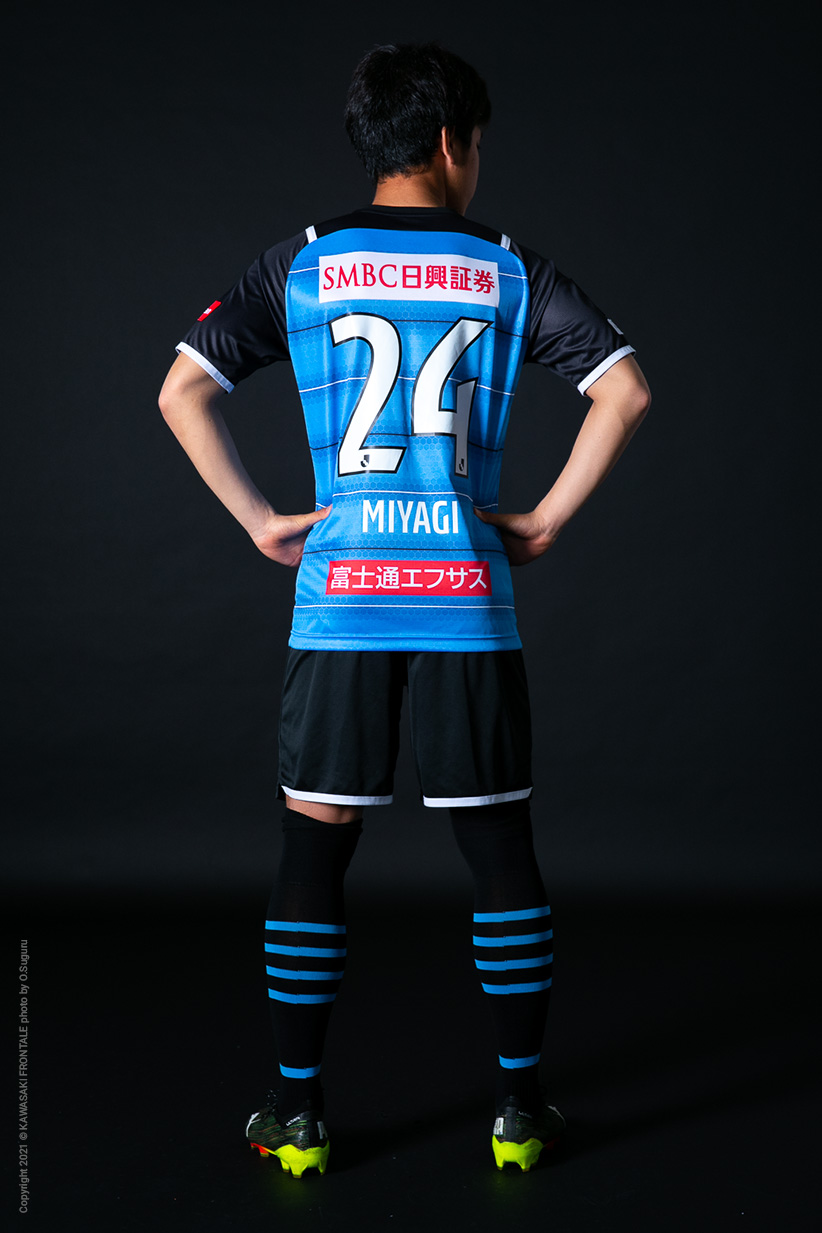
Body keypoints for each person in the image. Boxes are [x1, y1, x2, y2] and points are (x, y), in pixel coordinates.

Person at [159, 42, 650, 1178]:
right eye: (477, 146)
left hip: (340, 600)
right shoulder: (507, 267)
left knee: (314, 847)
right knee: (500, 849)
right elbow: (624, 387)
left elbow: (181, 389)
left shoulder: (304, 264)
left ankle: (297, 1119)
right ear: (447, 142)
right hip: (466, 599)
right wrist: (546, 520)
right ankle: (519, 1114)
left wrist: (260, 521)